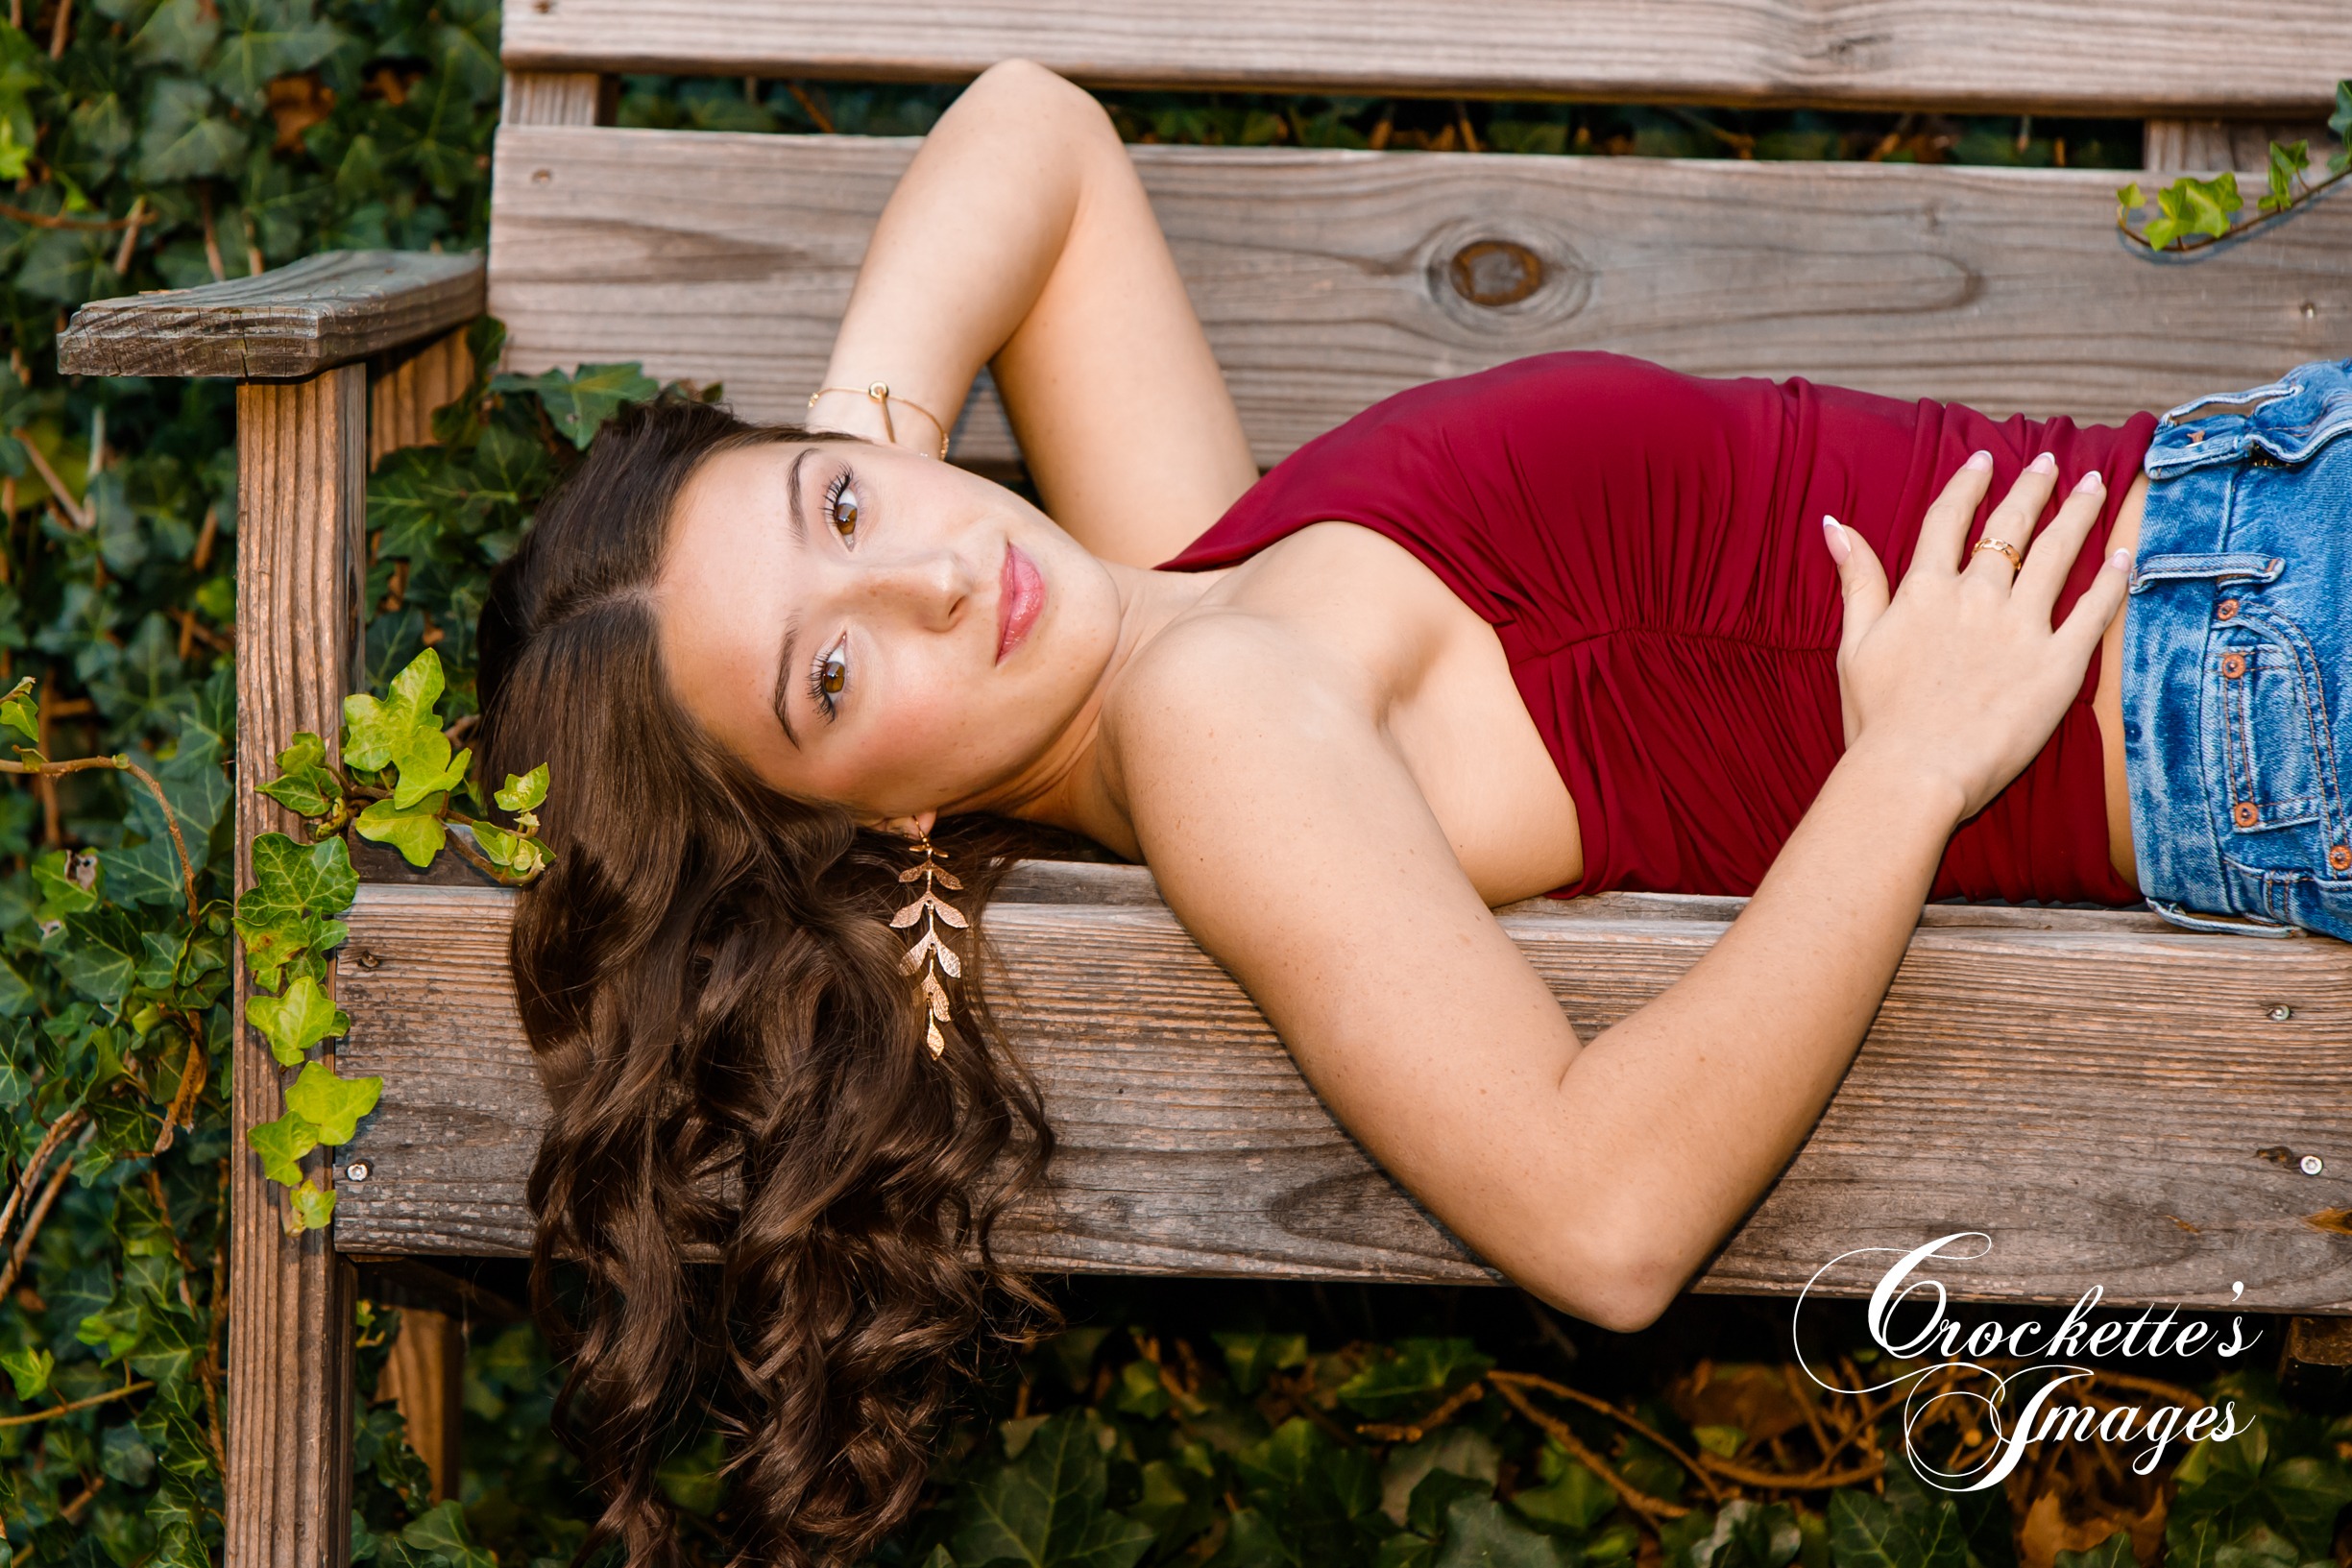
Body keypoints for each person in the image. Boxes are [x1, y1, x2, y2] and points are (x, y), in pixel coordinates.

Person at [470, 60, 2352, 1568]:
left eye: (845, 514)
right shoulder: (1215, 725)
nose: (937, 586)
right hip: (2253, 660)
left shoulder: (1167, 586)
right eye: (830, 678)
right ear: (841, 829)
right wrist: (1908, 769)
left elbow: (1035, 133)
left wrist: (864, 429)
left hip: (2263, 537)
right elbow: (1603, 1218)